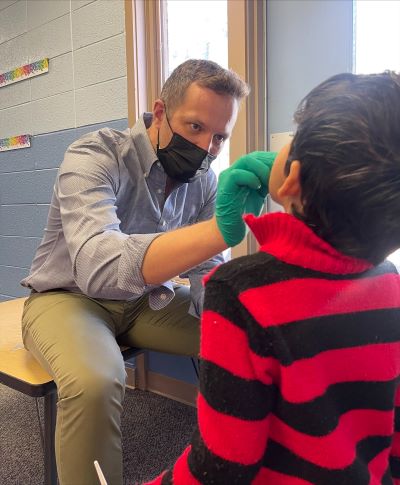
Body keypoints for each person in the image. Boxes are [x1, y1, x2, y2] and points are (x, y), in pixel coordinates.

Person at [20, 59, 274, 485]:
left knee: (248, 336)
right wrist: (216, 232)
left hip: (143, 302)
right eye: (194, 127)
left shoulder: (206, 181)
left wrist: (225, 313)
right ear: (159, 113)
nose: (206, 147)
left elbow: (206, 267)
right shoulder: (94, 154)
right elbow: (97, 265)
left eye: (218, 137)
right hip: (67, 298)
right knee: (96, 382)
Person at [144, 71, 400, 484]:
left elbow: (222, 466)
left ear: (293, 177)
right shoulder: (392, 285)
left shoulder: (242, 291)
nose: (208, 149)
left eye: (292, 138)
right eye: (196, 127)